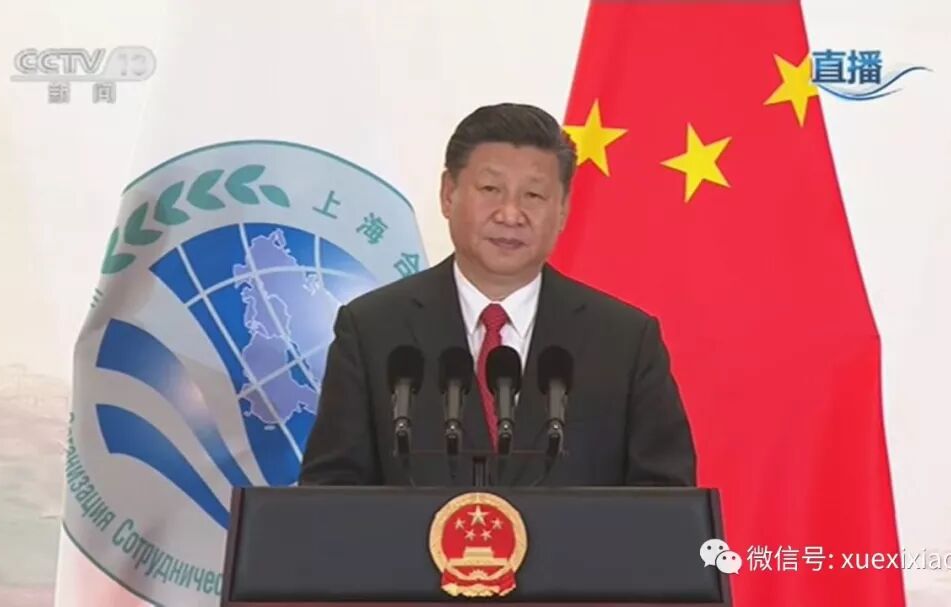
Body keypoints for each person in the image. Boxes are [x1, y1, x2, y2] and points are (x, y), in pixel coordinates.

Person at [298, 102, 695, 487]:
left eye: (533, 195)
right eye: (491, 189)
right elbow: (330, 492)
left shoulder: (624, 341)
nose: (510, 214)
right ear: (448, 194)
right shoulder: (372, 329)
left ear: (562, 210)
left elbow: (666, 499)